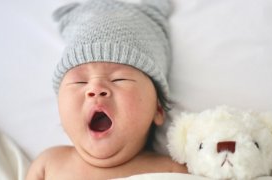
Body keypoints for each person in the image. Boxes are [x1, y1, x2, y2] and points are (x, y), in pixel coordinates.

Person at [26, 0, 187, 179]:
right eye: (80, 82)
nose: (95, 88)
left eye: (119, 79)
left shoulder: (171, 171)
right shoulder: (48, 165)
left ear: (157, 108)